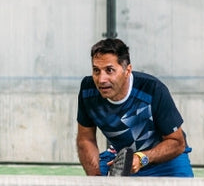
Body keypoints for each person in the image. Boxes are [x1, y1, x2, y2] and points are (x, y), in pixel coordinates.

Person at [76, 38, 194, 177]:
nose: (101, 79)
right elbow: (86, 139)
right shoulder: (87, 91)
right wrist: (95, 178)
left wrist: (141, 158)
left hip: (167, 159)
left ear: (127, 70)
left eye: (109, 70)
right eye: (96, 70)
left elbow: (177, 143)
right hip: (123, 160)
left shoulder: (153, 89)